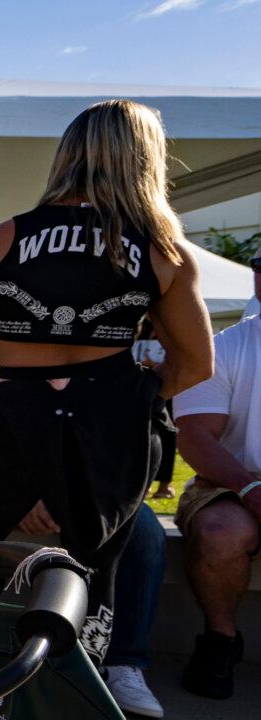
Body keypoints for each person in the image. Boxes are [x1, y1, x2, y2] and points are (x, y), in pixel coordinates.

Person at [0, 99, 212, 670]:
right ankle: (88, 678)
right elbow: (196, 364)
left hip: (15, 422)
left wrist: (15, 398)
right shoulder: (163, 253)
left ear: (68, 153)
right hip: (111, 430)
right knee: (95, 569)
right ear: (146, 160)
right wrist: (136, 395)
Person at [0, 359, 169, 717]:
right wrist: (15, 493)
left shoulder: (98, 359)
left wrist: (55, 496)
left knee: (146, 531)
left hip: (81, 487)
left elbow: (106, 454)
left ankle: (123, 662)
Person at [172, 247, 261, 700]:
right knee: (220, 530)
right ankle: (220, 640)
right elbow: (195, 437)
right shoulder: (222, 348)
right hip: (228, 483)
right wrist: (250, 486)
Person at [133, 319, 177, 499]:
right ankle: (144, 483)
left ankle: (164, 486)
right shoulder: (140, 328)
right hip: (141, 391)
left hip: (166, 392)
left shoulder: (172, 330)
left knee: (167, 437)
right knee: (141, 437)